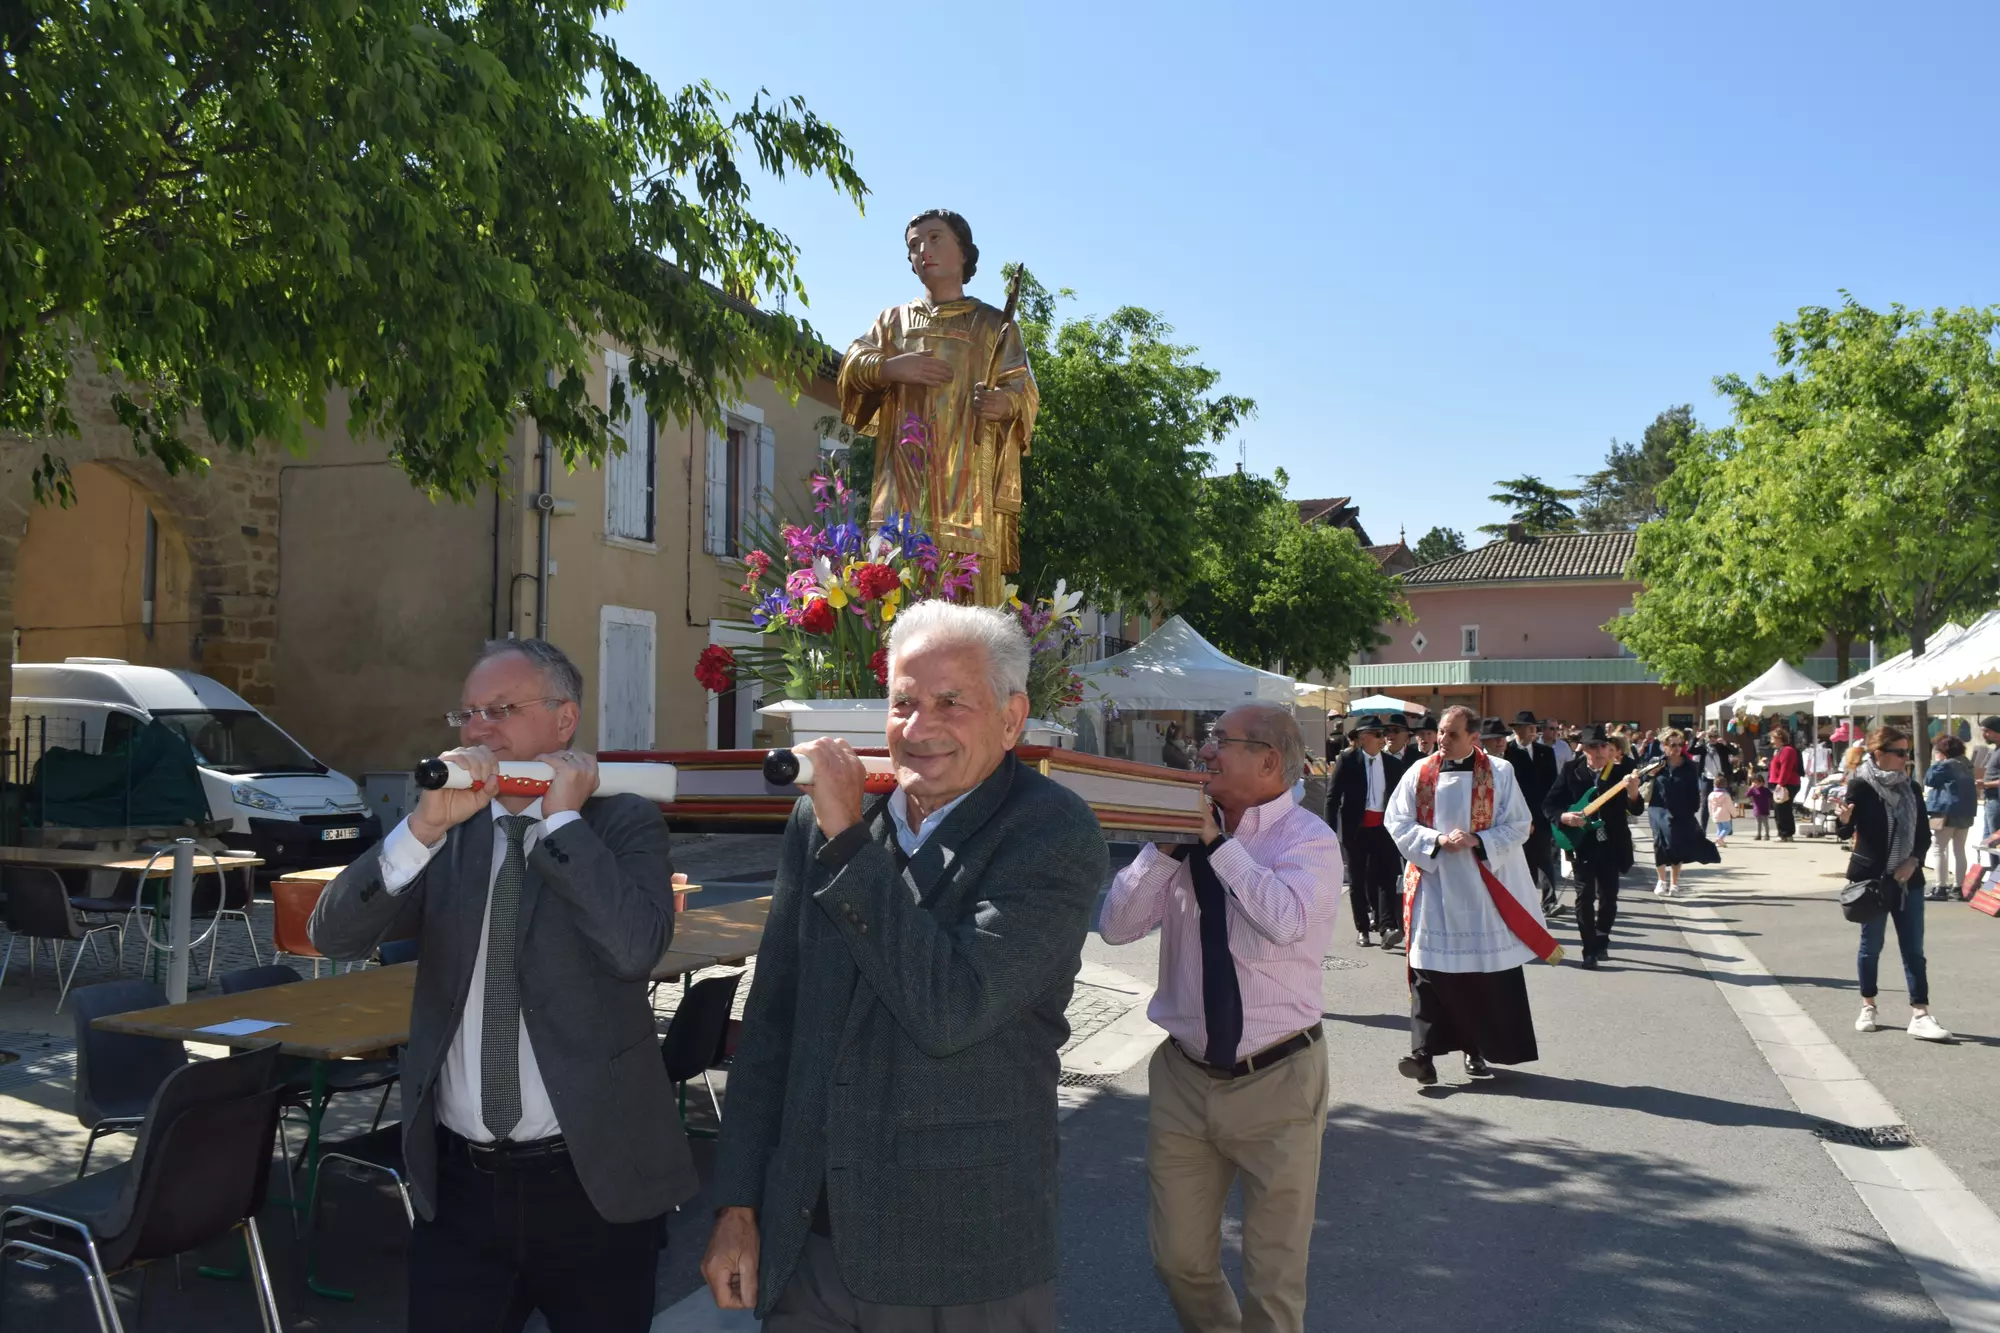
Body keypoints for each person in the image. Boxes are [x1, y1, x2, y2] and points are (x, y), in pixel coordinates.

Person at [703, 605, 1103, 1329]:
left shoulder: (1051, 830)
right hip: (810, 1246)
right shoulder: (824, 821)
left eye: (952, 701)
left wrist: (850, 839)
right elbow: (773, 1026)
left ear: (1012, 720)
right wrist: (739, 1203)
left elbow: (950, 1006)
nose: (920, 727)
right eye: (903, 702)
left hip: (959, 1259)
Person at [309, 639, 689, 1332]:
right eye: (469, 712)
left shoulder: (622, 820)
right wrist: (421, 826)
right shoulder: (448, 827)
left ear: (564, 721)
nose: (480, 729)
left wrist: (563, 820)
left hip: (591, 1184)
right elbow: (332, 935)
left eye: (503, 709)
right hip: (459, 1191)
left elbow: (635, 947)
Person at [1101, 703, 1339, 1333]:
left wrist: (1218, 844)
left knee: (1274, 1277)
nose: (1203, 753)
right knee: (1178, 1261)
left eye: (1219, 742)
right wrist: (1165, 847)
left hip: (1279, 1079)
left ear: (1268, 760)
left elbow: (1284, 920)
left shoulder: (1309, 840)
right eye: (1207, 740)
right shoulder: (1180, 835)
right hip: (1184, 1078)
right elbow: (1116, 927)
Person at [837, 210, 1038, 604]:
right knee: (900, 604)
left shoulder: (994, 326)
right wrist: (890, 366)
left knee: (970, 620)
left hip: (968, 494)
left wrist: (1005, 404)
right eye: (914, 246)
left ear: (964, 252)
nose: (923, 251)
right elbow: (851, 368)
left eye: (934, 238)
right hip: (903, 489)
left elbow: (1024, 390)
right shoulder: (892, 322)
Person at [1385, 706, 1559, 1085]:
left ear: (1474, 738)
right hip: (1434, 885)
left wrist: (1479, 839)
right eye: (1441, 733)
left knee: (1479, 978)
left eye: (1452, 735)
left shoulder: (1500, 772)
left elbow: (1520, 826)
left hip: (1482, 892)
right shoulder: (1420, 771)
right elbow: (1396, 821)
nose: (1442, 741)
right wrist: (1434, 840)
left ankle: (1474, 1051)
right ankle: (1422, 1056)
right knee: (1428, 974)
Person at [1838, 728, 1952, 1042]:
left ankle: (1920, 1013)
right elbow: (1844, 833)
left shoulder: (1911, 788)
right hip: (1871, 881)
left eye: (1907, 752)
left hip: (1908, 881)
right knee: (1870, 947)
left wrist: (1913, 860)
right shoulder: (1861, 786)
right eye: (1900, 753)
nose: (1906, 759)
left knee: (1914, 949)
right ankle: (1868, 1005)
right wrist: (1845, 820)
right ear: (1878, 753)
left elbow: (1923, 836)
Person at [1543, 724, 1644, 969]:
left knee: (1608, 898)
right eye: (1592, 746)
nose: (1599, 751)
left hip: (1611, 842)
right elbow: (1550, 804)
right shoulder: (1571, 770)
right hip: (1582, 843)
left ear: (1609, 748)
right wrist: (1565, 817)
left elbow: (1636, 809)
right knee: (1583, 896)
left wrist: (1632, 793)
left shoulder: (1625, 771)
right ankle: (1588, 949)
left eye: (1602, 746)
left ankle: (1602, 937)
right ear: (1583, 749)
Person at [1328, 715, 1406, 948]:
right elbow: (1332, 798)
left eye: (1384, 734)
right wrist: (1329, 831)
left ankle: (1387, 927)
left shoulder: (1393, 764)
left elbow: (1401, 800)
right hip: (1357, 830)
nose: (1384, 739)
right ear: (1363, 738)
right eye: (1378, 735)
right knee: (1358, 880)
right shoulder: (1347, 760)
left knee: (1387, 878)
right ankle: (1362, 928)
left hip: (1384, 829)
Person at [1648, 729, 1718, 896]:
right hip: (1658, 808)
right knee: (1659, 842)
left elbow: (1694, 791)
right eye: (1672, 745)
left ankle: (1674, 883)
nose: (1677, 748)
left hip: (1681, 810)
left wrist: (1693, 810)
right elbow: (1642, 780)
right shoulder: (1656, 763)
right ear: (1664, 746)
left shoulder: (1689, 766)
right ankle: (1661, 880)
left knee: (1675, 843)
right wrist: (1650, 774)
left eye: (1680, 744)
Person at [1505, 709, 1561, 915]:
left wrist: (1550, 813)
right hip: (1517, 816)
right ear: (1517, 729)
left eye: (1535, 728)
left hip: (1541, 814)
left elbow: (1553, 784)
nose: (1533, 732)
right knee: (1524, 859)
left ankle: (1549, 901)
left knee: (1545, 858)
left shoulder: (1546, 752)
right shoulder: (1507, 752)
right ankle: (1525, 902)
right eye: (1529, 728)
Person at [1924, 734, 1976, 900]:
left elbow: (1929, 780)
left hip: (1945, 810)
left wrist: (1937, 762)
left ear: (1943, 751)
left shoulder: (1946, 765)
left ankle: (1940, 887)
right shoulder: (1967, 764)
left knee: (1939, 848)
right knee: (1959, 850)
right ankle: (1959, 887)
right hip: (1965, 811)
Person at [1769, 726, 1803, 841]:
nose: (1771, 741)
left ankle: (1785, 833)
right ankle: (1784, 833)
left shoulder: (1787, 750)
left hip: (1786, 783)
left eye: (1773, 738)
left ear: (1779, 738)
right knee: (1781, 809)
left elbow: (1786, 768)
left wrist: (1781, 783)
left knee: (1782, 809)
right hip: (1780, 782)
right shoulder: (1779, 751)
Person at [1749, 773, 1774, 839]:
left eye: (1758, 782)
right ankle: (1758, 834)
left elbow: (1771, 795)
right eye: (1755, 782)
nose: (1757, 784)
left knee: (1765, 823)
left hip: (1765, 809)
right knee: (1758, 823)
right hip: (1757, 810)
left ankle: (1767, 834)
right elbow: (1747, 795)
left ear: (1762, 782)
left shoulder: (1766, 790)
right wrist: (1751, 788)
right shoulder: (1753, 790)